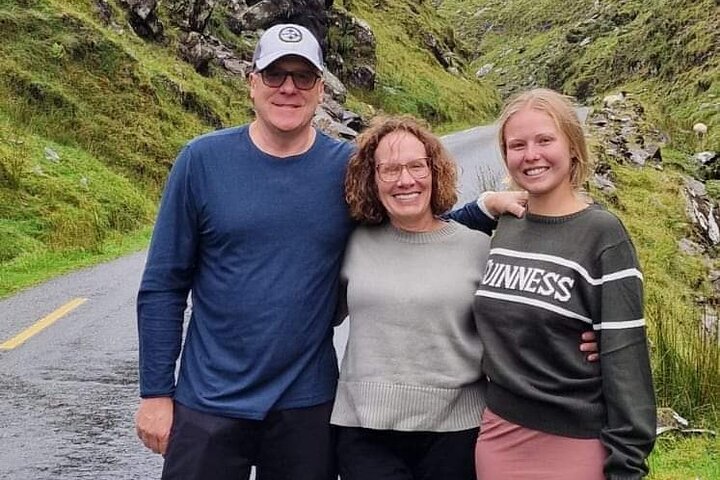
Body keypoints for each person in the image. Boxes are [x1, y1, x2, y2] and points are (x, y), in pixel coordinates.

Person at [134, 23, 514, 480]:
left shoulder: (346, 170)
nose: (288, 88)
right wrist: (156, 392)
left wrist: (482, 209)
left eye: (303, 76)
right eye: (275, 74)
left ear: (320, 89)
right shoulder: (201, 161)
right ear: (252, 82)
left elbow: (414, 224)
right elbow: (164, 284)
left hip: (306, 404)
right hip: (209, 399)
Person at [332, 115, 599, 480]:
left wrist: (586, 338)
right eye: (389, 169)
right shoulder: (351, 243)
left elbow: (519, 320)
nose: (405, 180)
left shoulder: (478, 247)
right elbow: (314, 314)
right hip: (364, 432)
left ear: (434, 171)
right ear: (371, 178)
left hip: (456, 432)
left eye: (416, 166)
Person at [473, 88, 656, 479]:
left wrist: (627, 463)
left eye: (545, 140)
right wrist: (486, 203)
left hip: (574, 441)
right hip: (498, 435)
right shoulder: (506, 225)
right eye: (517, 145)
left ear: (573, 147)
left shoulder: (603, 235)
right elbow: (426, 230)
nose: (531, 155)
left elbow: (626, 357)